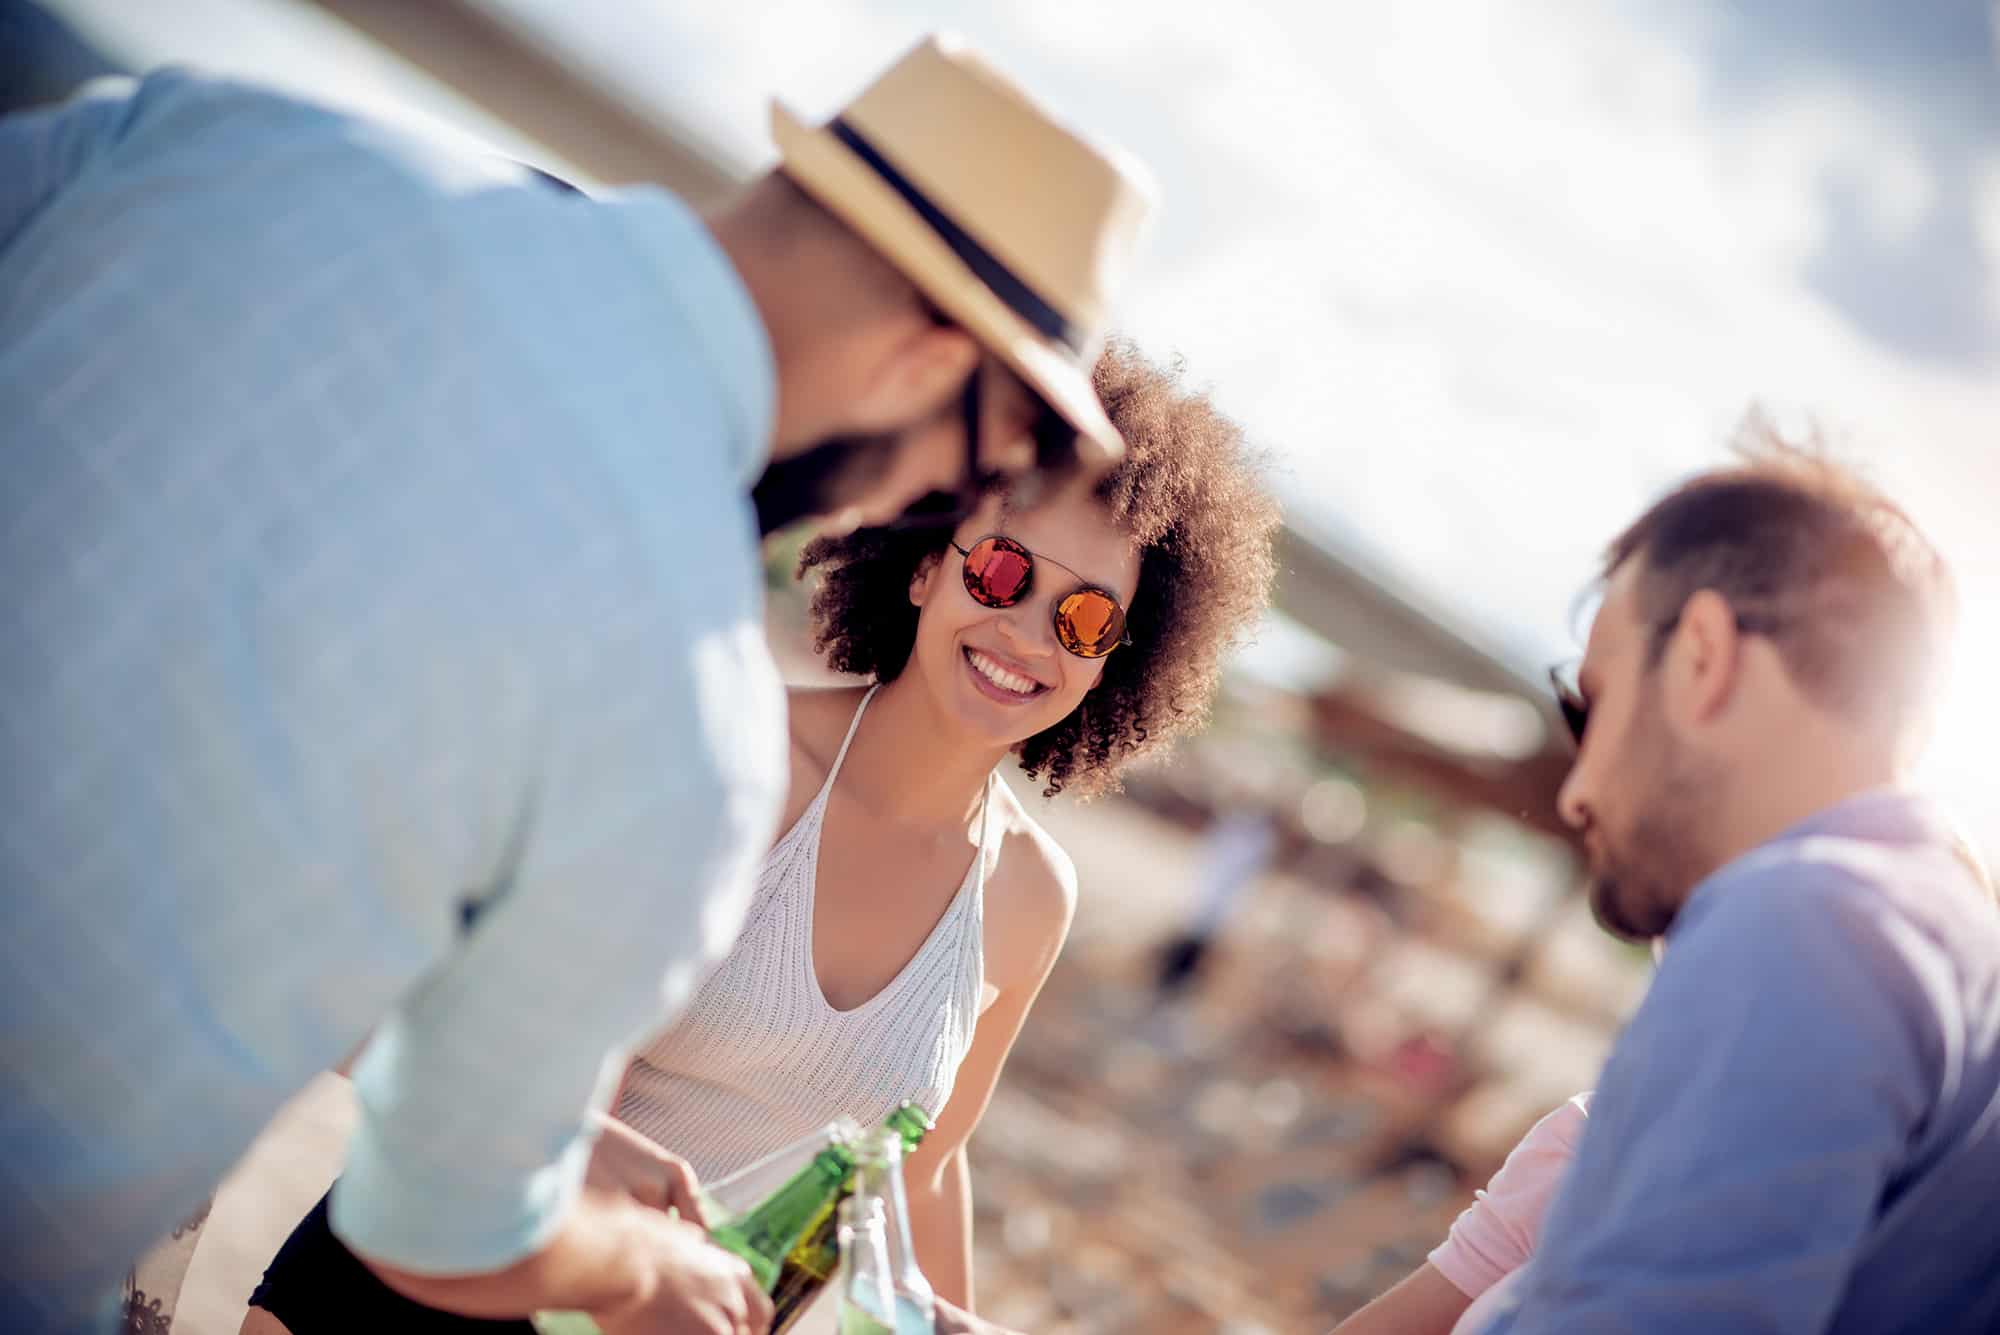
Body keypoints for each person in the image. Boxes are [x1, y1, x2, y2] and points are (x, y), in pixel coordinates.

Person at [0, 34, 1157, 1334]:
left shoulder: (249, 144)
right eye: (970, 491)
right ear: (926, 366)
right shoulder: (681, 698)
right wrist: (656, 1272)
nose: (914, 510)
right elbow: (442, 1219)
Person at [238, 340, 1281, 1333]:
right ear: (924, 563)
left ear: (1113, 664)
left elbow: (920, 1164)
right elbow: (439, 997)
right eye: (1002, 572)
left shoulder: (1025, 899)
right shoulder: (734, 752)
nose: (1023, 632)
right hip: (423, 1283)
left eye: (1084, 618)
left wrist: (939, 1321)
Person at [1462, 438, 2000, 1332]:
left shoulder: (1812, 921)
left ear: (1703, 654)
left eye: (1587, 706)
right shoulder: (1956, 955)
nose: (1575, 788)